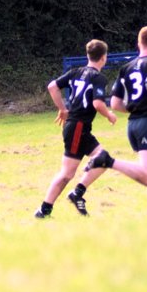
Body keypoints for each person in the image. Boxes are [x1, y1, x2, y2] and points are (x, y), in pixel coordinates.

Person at [84, 25, 147, 219]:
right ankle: (108, 161)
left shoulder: (126, 68)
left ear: (139, 44)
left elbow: (115, 103)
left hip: (133, 125)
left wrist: (134, 108)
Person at [36, 40, 117, 219]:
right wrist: (109, 115)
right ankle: (46, 209)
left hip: (78, 127)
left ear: (88, 55)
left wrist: (62, 108)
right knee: (67, 173)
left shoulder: (75, 72)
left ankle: (72, 195)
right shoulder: (98, 78)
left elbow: (52, 86)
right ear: (104, 58)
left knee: (103, 159)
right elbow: (98, 103)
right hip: (78, 127)